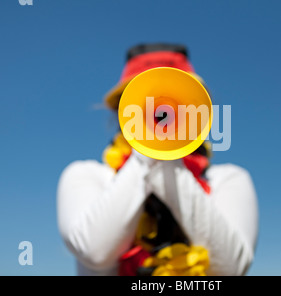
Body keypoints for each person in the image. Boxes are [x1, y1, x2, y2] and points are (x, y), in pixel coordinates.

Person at [56, 43, 259, 276]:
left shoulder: (228, 178)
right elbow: (95, 251)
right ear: (120, 111)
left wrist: (168, 158)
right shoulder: (86, 174)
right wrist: (147, 152)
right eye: (143, 99)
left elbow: (231, 267)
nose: (159, 112)